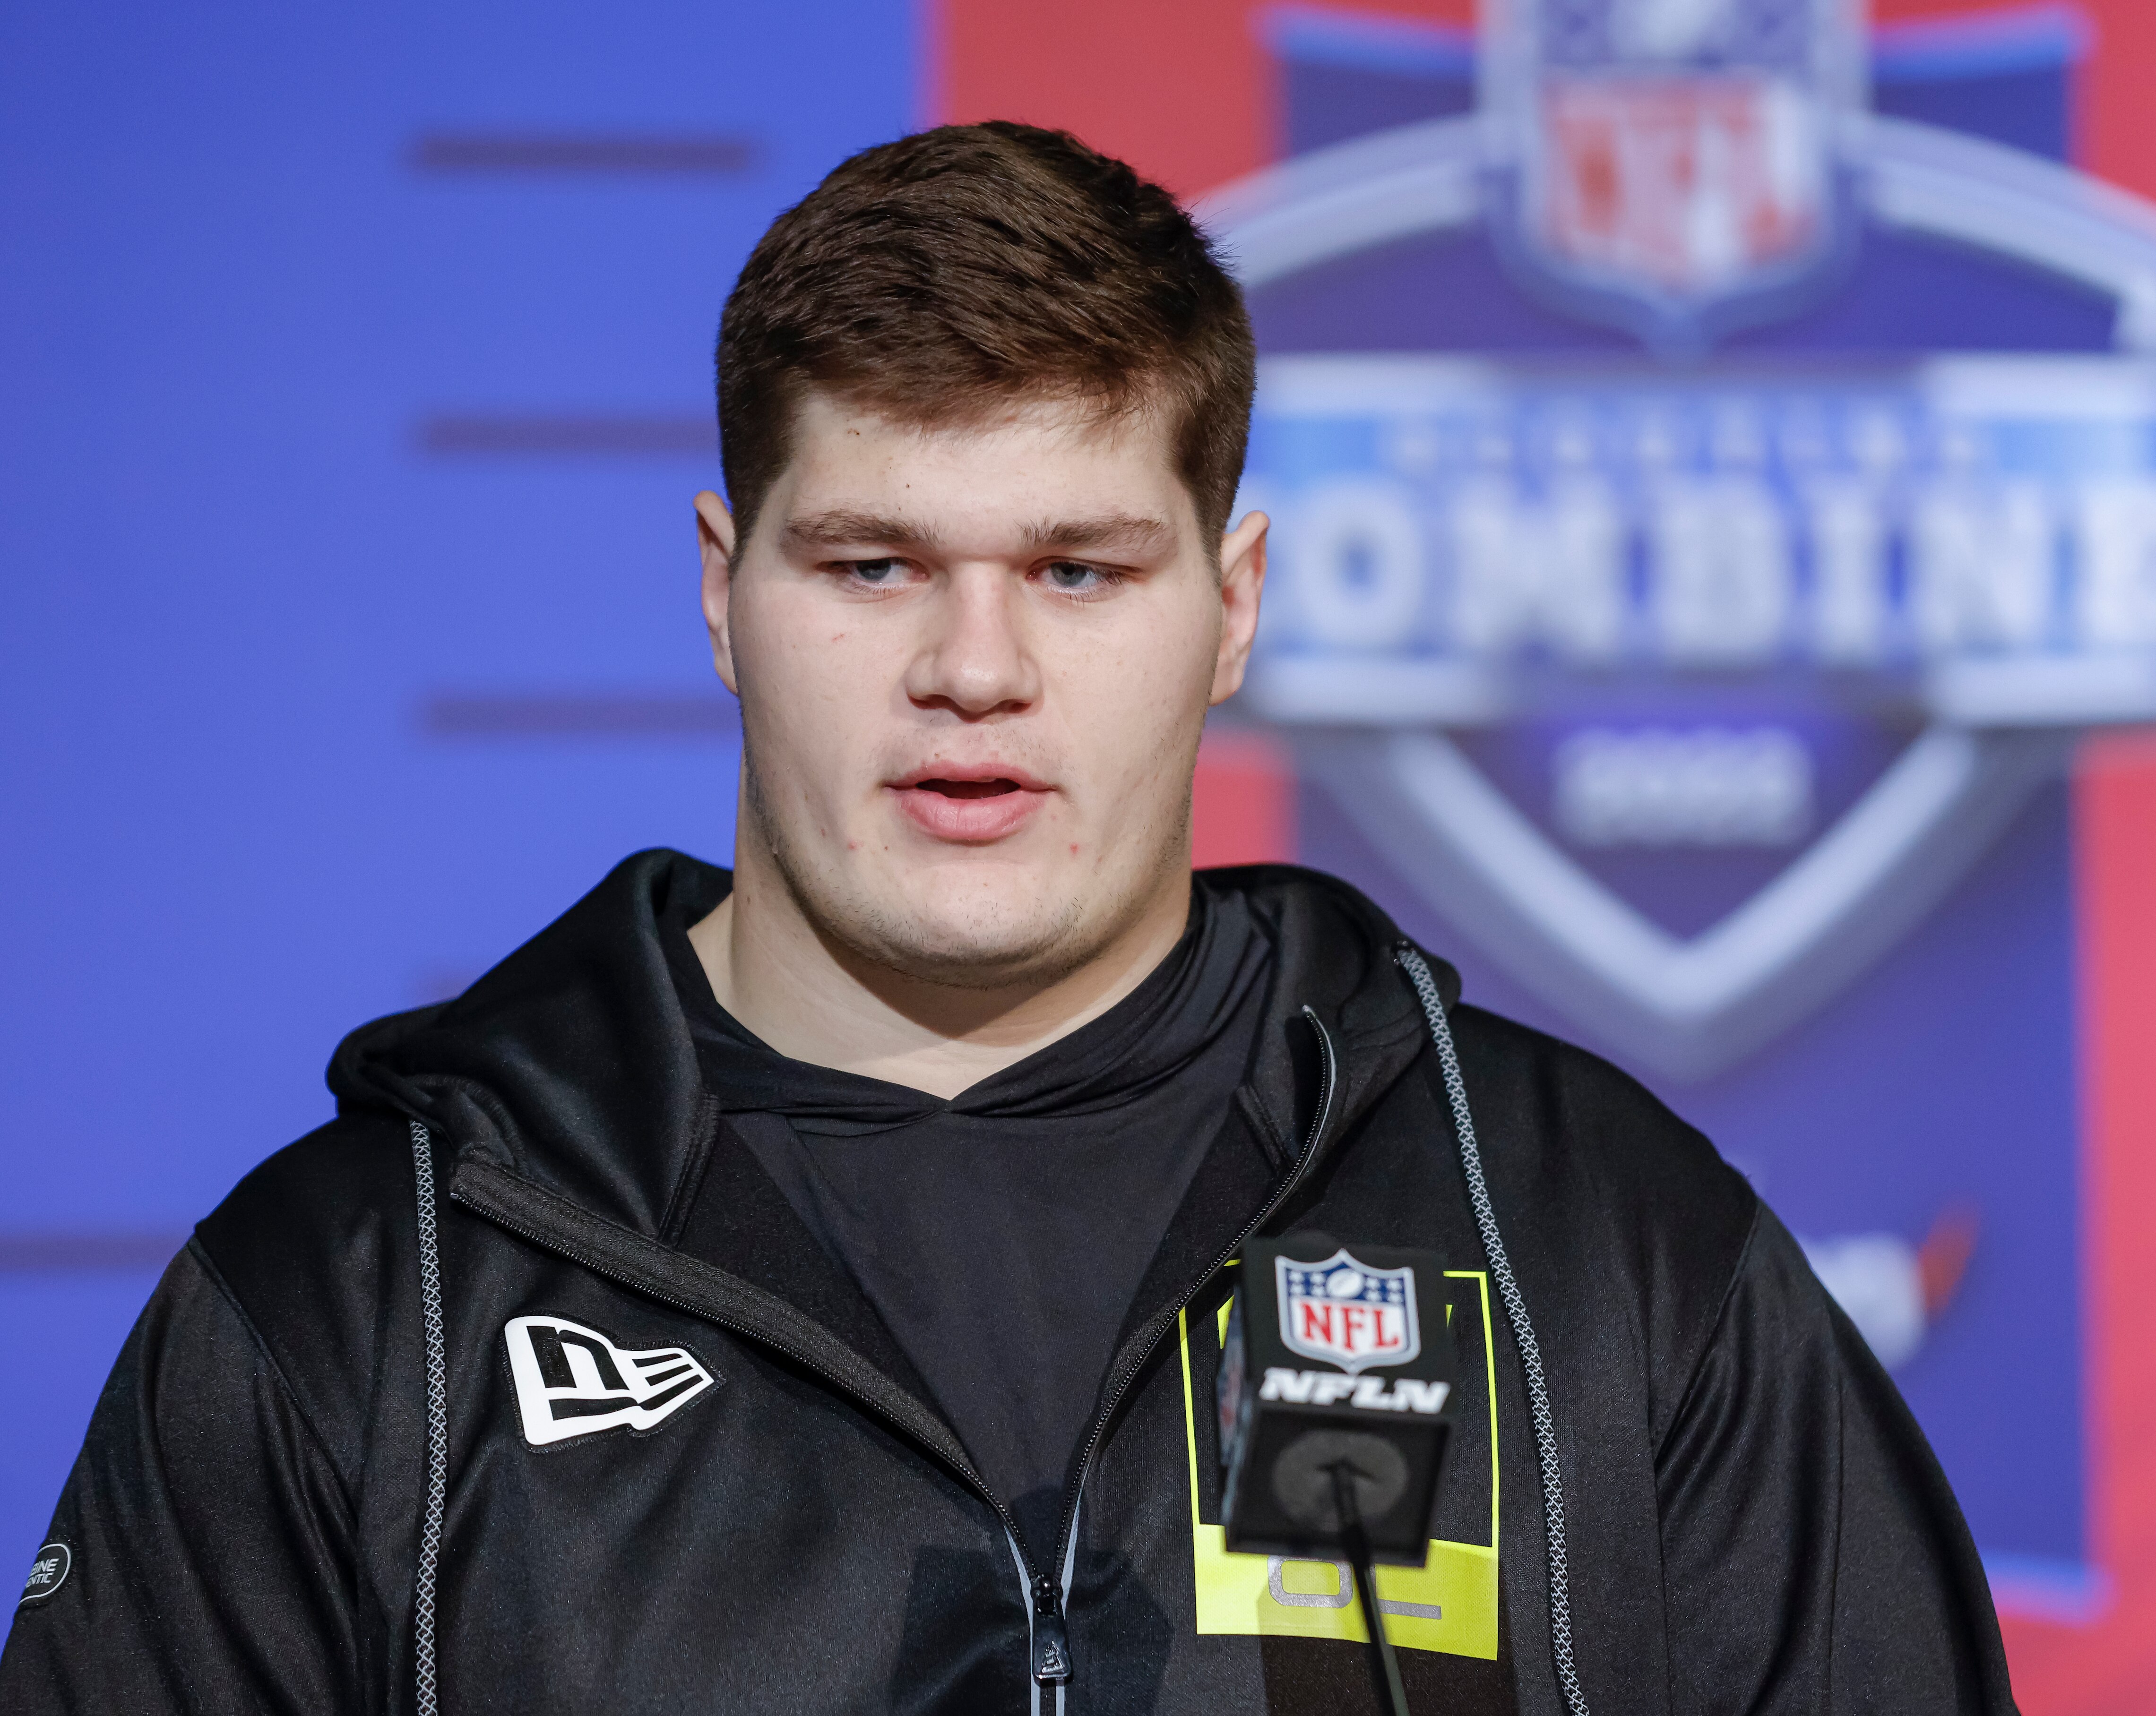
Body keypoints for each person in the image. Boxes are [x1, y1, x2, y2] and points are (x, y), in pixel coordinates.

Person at [0, 123, 2016, 1715]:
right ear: (723, 587)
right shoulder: (366, 1302)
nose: (973, 667)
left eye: (1076, 569)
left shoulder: (1596, 1243)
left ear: (1231, 603)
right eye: (872, 564)